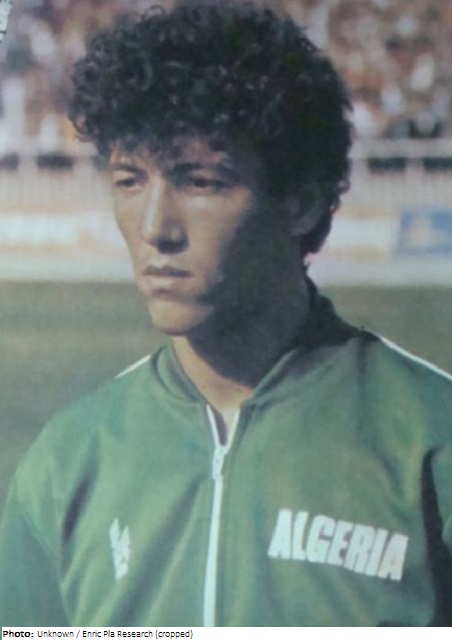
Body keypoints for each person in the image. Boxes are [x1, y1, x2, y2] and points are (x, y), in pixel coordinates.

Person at [1, 0, 452, 627]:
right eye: (130, 180)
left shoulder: (432, 441)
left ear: (300, 202)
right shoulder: (65, 463)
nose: (155, 228)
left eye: (200, 182)